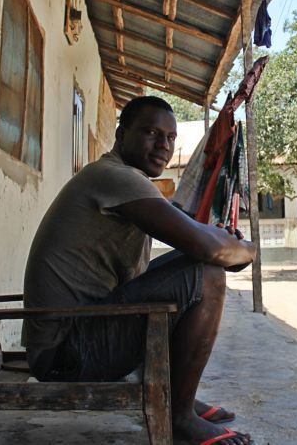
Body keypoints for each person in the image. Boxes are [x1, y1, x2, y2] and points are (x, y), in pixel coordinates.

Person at [22, 96, 255, 445]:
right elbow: (206, 246)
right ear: (121, 133)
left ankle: (179, 396)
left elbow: (201, 238)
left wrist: (223, 246)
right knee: (207, 275)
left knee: (193, 268)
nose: (163, 146)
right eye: (150, 132)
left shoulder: (124, 180)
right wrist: (246, 250)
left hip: (76, 337)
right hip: (65, 356)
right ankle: (180, 417)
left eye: (171, 138)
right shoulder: (116, 177)